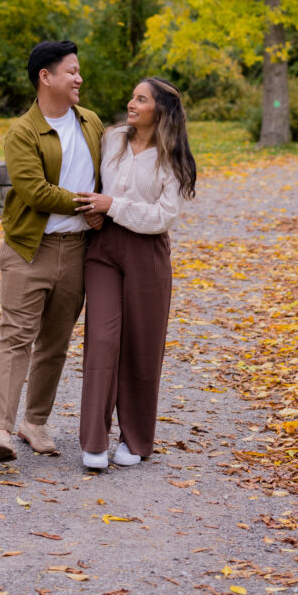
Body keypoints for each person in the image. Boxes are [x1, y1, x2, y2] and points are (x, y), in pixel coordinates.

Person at [0, 40, 104, 462]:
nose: (79, 78)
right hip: (28, 251)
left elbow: (107, 178)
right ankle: (1, 429)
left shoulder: (91, 123)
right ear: (46, 77)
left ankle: (34, 422)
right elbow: (34, 192)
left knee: (55, 342)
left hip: (76, 251)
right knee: (16, 338)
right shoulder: (22, 131)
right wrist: (87, 204)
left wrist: (104, 209)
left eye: (78, 71)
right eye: (71, 71)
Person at [73, 77, 196, 469]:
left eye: (141, 100)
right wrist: (93, 211)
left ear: (159, 110)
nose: (132, 103)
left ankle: (136, 440)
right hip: (104, 250)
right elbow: (92, 184)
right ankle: (94, 440)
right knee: (103, 340)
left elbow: (163, 216)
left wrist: (113, 205)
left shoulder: (172, 157)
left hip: (148, 254)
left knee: (142, 346)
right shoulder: (112, 139)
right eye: (133, 96)